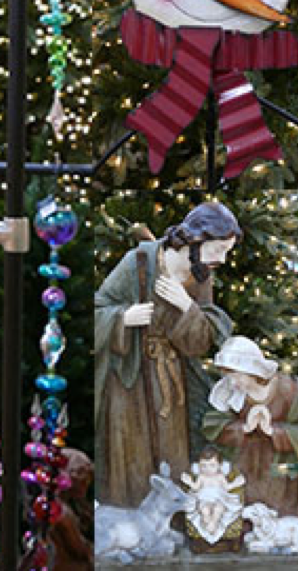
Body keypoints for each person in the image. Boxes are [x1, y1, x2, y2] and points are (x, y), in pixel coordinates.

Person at [96, 203, 240, 508]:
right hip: (131, 381)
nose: (223, 259)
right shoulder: (138, 262)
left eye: (227, 251)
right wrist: (123, 317)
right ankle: (128, 517)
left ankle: (170, 513)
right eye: (219, 249)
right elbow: (98, 308)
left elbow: (199, 342)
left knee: (172, 452)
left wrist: (187, 307)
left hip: (171, 381)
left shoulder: (201, 274)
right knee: (133, 453)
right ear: (196, 239)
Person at [203, 336, 298, 518]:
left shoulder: (289, 390)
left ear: (251, 369)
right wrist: (243, 428)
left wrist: (274, 431)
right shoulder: (229, 392)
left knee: (280, 518)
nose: (232, 382)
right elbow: (213, 426)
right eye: (228, 377)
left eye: (237, 376)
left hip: (279, 472)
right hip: (244, 467)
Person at [181, 446, 245, 545]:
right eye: (203, 466)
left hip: (219, 499)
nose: (208, 469)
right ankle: (208, 524)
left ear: (219, 465)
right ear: (199, 466)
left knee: (219, 508)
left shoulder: (220, 476)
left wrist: (236, 483)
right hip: (204, 499)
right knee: (204, 509)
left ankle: (214, 522)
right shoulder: (201, 477)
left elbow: (227, 487)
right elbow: (196, 488)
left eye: (212, 465)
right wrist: (189, 482)